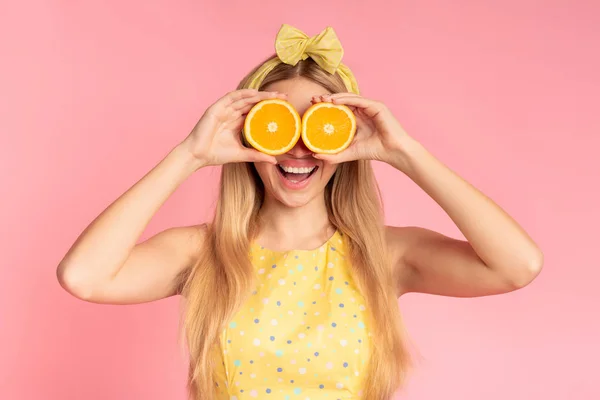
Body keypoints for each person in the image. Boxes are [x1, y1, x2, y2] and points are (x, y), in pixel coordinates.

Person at [56, 24, 543, 400]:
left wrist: (404, 151)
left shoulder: (385, 254)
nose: (299, 149)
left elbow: (517, 265)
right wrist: (190, 154)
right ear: (249, 137)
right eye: (278, 126)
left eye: (319, 128)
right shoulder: (202, 252)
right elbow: (84, 277)